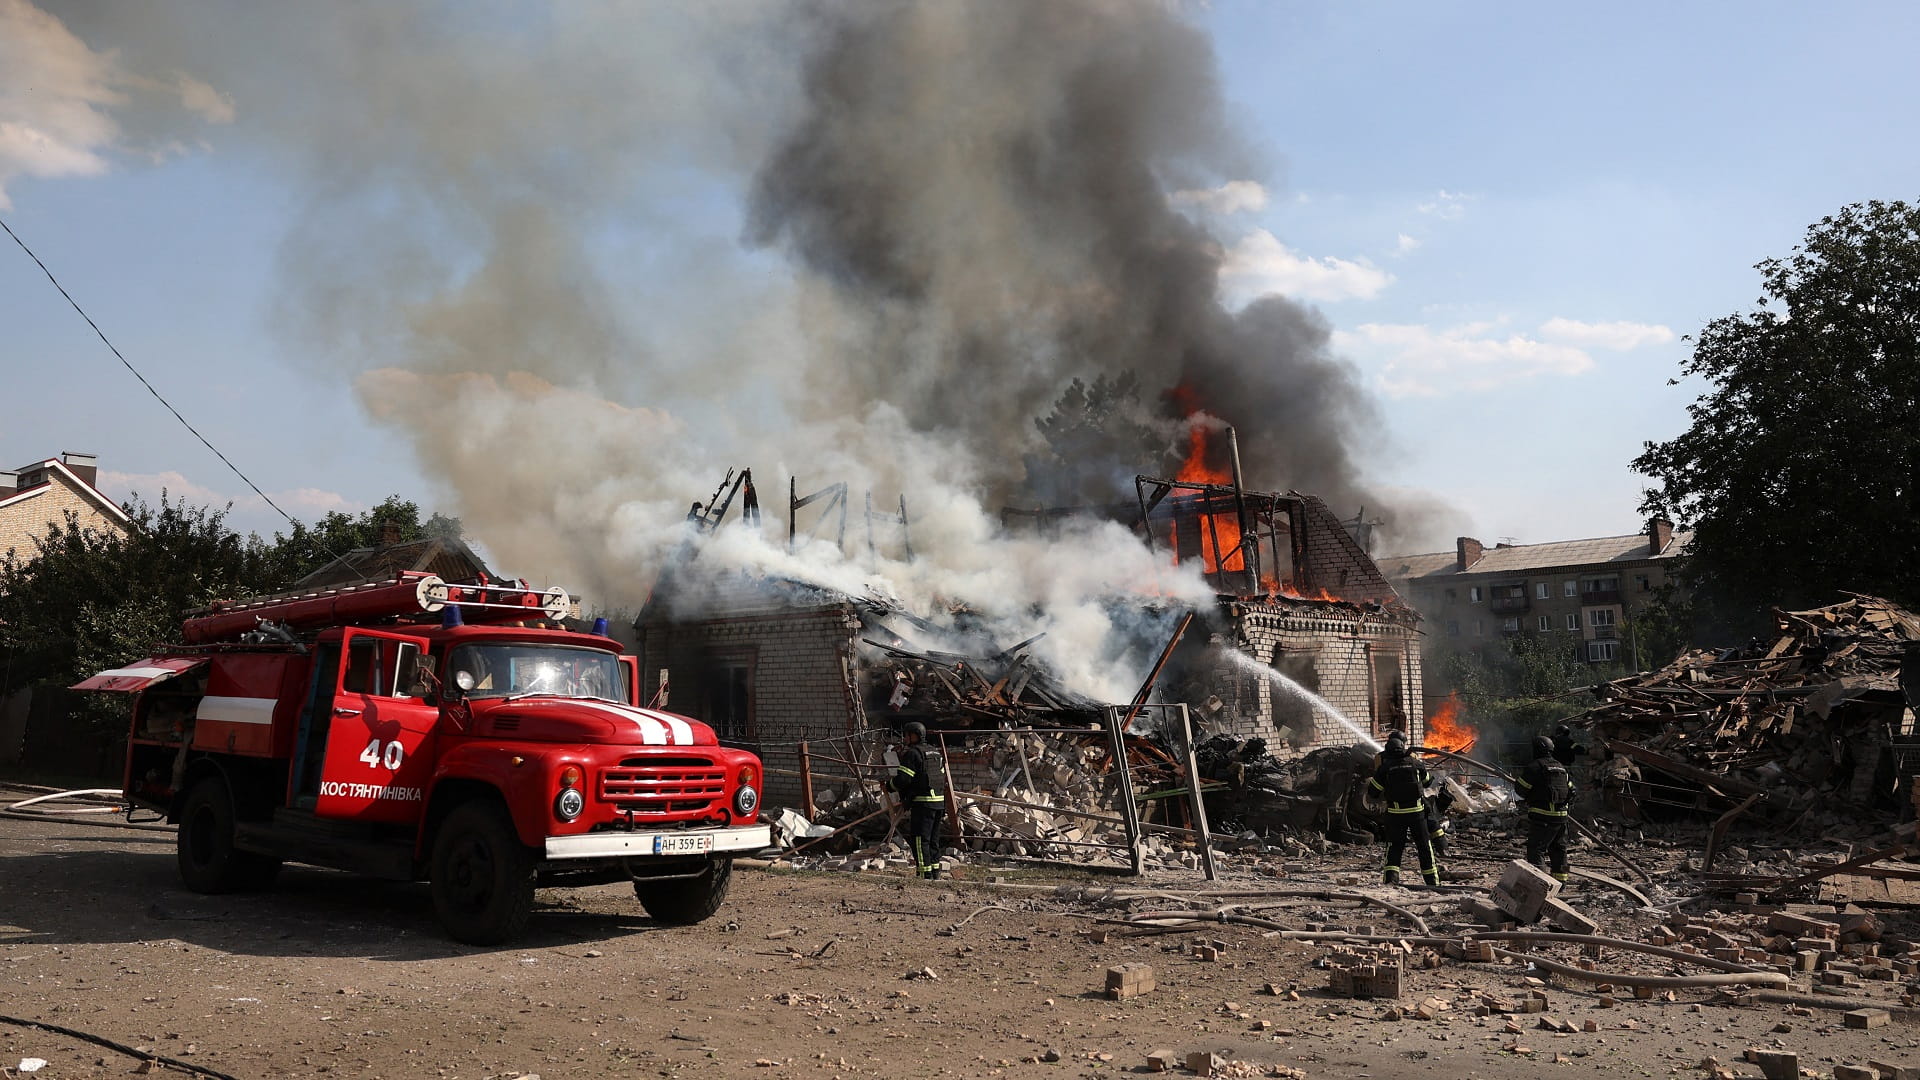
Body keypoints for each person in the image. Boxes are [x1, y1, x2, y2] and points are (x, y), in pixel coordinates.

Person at [1368, 731, 1439, 886]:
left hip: (1395, 814)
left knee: (1394, 847)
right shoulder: (1415, 762)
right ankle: (1432, 882)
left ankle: (1391, 881)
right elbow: (1427, 782)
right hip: (1417, 813)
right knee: (1424, 846)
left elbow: (1372, 792)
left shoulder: (1384, 767)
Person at [888, 721, 947, 880]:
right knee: (933, 840)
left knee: (921, 840)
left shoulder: (913, 754)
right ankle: (935, 872)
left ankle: (923, 874)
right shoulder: (935, 753)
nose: (905, 738)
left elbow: (903, 779)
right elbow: (940, 778)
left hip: (923, 804)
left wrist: (889, 786)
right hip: (939, 803)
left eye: (907, 735)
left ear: (914, 735)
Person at [1516, 734, 1574, 883]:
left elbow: (1521, 789)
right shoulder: (1561, 768)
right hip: (1562, 818)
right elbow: (1572, 790)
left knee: (1536, 849)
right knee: (1559, 849)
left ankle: (1540, 883)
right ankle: (1561, 882)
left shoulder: (1534, 767)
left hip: (1543, 816)